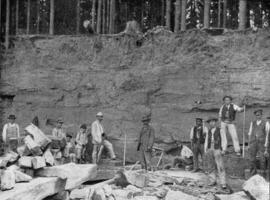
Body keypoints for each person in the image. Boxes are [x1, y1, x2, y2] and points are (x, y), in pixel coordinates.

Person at [205, 117, 227, 189]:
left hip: (217, 149)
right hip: (209, 149)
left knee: (220, 166)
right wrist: (206, 149)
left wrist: (224, 149)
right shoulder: (208, 131)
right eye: (210, 122)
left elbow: (224, 140)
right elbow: (206, 141)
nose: (212, 123)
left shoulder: (220, 130)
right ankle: (212, 180)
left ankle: (223, 182)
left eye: (213, 121)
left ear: (215, 122)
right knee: (210, 166)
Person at [247, 109, 269, 176]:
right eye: (256, 115)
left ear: (261, 115)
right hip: (253, 142)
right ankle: (252, 175)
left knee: (262, 159)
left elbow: (267, 135)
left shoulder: (266, 123)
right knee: (252, 159)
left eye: (259, 115)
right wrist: (248, 144)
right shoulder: (252, 123)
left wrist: (266, 146)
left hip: (261, 143)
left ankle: (262, 176)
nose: (257, 116)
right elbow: (250, 133)